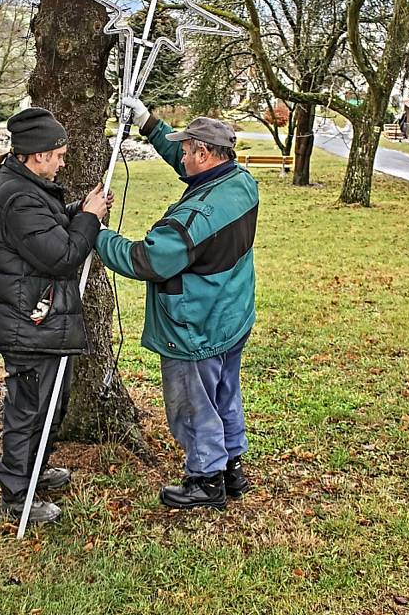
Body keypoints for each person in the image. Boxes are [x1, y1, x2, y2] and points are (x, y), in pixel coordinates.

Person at [95, 97, 259, 510]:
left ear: (204, 154)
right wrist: (149, 124)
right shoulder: (238, 181)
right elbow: (186, 163)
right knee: (224, 392)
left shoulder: (193, 220)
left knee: (193, 402)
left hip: (195, 324)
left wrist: (94, 231)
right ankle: (231, 466)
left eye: (187, 150)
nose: (181, 154)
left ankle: (206, 479)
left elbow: (145, 259)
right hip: (230, 314)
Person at [0, 107, 111, 524]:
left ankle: (35, 470)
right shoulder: (17, 195)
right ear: (36, 155)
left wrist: (78, 210)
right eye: (59, 155)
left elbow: (45, 231)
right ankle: (18, 494)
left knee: (51, 402)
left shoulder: (24, 185)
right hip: (26, 322)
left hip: (33, 316)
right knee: (29, 408)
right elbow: (63, 256)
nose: (63, 162)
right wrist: (89, 218)